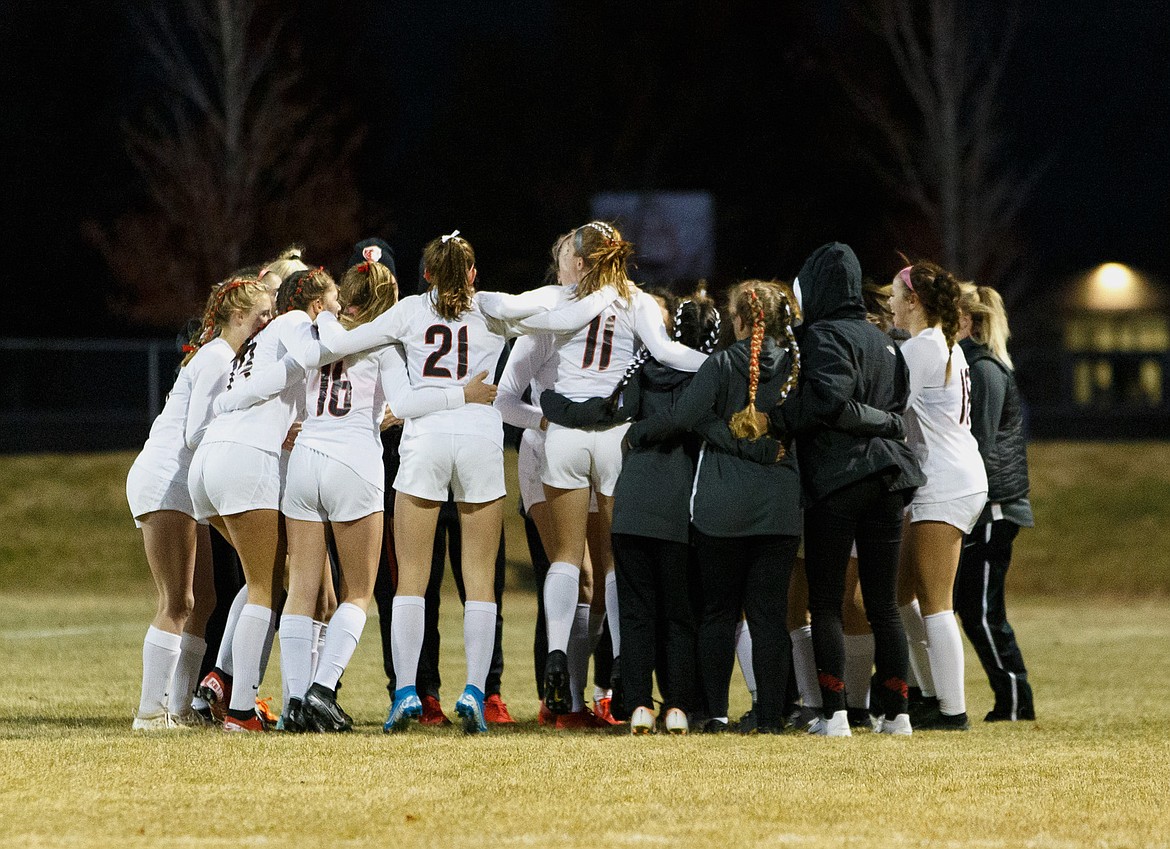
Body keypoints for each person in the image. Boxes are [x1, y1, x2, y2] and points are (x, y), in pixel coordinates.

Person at [309, 231, 616, 734]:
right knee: (478, 580)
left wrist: (321, 315)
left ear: (427, 274)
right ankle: (475, 689)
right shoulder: (492, 307)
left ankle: (407, 691)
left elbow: (343, 343)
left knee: (412, 579)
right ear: (472, 274)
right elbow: (559, 314)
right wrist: (606, 292)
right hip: (478, 440)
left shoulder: (409, 310)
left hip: (425, 441)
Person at [523, 222, 708, 717]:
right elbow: (667, 354)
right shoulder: (639, 301)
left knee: (565, 556)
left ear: (582, 261)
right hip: (613, 436)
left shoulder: (562, 301)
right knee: (612, 564)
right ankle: (626, 666)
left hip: (563, 435)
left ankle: (559, 652)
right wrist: (716, 364)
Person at [626, 280, 801, 734]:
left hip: (722, 508)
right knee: (768, 616)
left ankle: (718, 714)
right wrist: (762, 451)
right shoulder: (798, 367)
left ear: (738, 320)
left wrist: (642, 433)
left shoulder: (722, 363)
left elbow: (687, 417)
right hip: (780, 506)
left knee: (718, 615)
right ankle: (770, 717)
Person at [776, 242, 924, 737]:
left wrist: (776, 418)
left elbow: (829, 403)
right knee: (882, 602)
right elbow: (899, 407)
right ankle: (897, 712)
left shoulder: (823, 336)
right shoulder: (885, 340)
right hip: (888, 479)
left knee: (827, 598)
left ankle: (835, 712)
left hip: (841, 477)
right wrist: (885, 422)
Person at [126, 273, 272, 729]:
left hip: (187, 485)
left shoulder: (227, 357)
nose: (268, 321)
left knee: (204, 598)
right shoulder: (215, 358)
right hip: (168, 479)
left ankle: (181, 705)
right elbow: (193, 433)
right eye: (261, 314)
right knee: (178, 601)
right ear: (236, 316)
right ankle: (151, 711)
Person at [188, 268, 328, 731]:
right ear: (310, 303)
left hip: (212, 462)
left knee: (261, 577)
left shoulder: (263, 341)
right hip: (245, 459)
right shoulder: (292, 324)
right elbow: (319, 353)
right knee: (266, 589)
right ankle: (242, 711)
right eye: (330, 302)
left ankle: (220, 679)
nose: (336, 312)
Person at [889, 259, 989, 731]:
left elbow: (884, 405)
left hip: (944, 480)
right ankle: (929, 694)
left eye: (894, 295)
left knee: (935, 600)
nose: (889, 303)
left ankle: (952, 712)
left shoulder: (924, 347)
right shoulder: (937, 343)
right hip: (945, 475)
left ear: (914, 302)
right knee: (900, 593)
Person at [953, 283, 1036, 722]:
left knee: (981, 610)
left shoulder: (983, 370)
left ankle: (1017, 701)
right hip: (989, 506)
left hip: (995, 507)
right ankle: (1011, 699)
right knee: (971, 607)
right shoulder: (977, 365)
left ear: (968, 322)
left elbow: (977, 443)